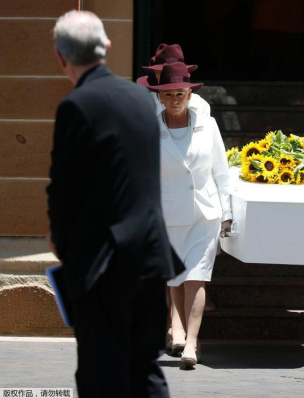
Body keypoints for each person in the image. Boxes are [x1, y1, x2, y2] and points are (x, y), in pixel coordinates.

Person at [46, 11, 184, 397]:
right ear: (106, 47)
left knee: (99, 372)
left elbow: (64, 190)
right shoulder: (141, 101)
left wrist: (62, 242)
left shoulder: (75, 106)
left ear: (60, 58)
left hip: (103, 263)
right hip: (150, 257)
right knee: (146, 373)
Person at [138, 62, 232, 368]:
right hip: (167, 216)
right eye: (169, 95)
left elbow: (222, 172)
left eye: (180, 93)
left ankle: (191, 343)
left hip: (204, 214)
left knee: (197, 278)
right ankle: (180, 332)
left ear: (190, 95)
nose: (175, 99)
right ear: (160, 98)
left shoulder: (209, 125)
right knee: (176, 277)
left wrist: (227, 213)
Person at [144, 43, 211, 116]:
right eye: (165, 71)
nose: (170, 74)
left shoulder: (199, 104)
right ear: (156, 73)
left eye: (176, 71)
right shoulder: (145, 104)